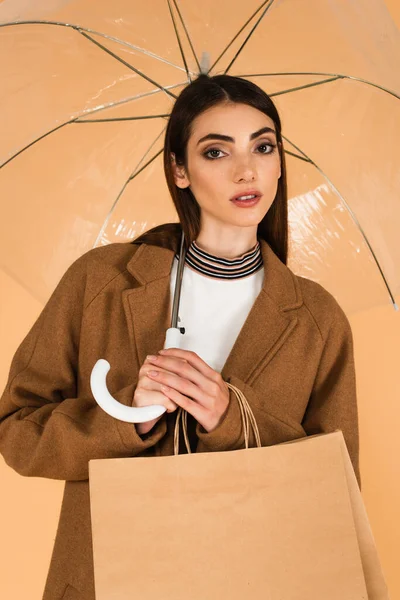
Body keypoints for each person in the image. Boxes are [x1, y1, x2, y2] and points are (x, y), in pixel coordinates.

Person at [0, 73, 360, 600]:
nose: (246, 170)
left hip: (254, 581)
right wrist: (127, 417)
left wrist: (232, 415)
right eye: (216, 152)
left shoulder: (318, 319)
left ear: (280, 163)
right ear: (178, 169)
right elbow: (16, 433)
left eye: (263, 147)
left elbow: (337, 492)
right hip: (109, 578)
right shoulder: (99, 281)